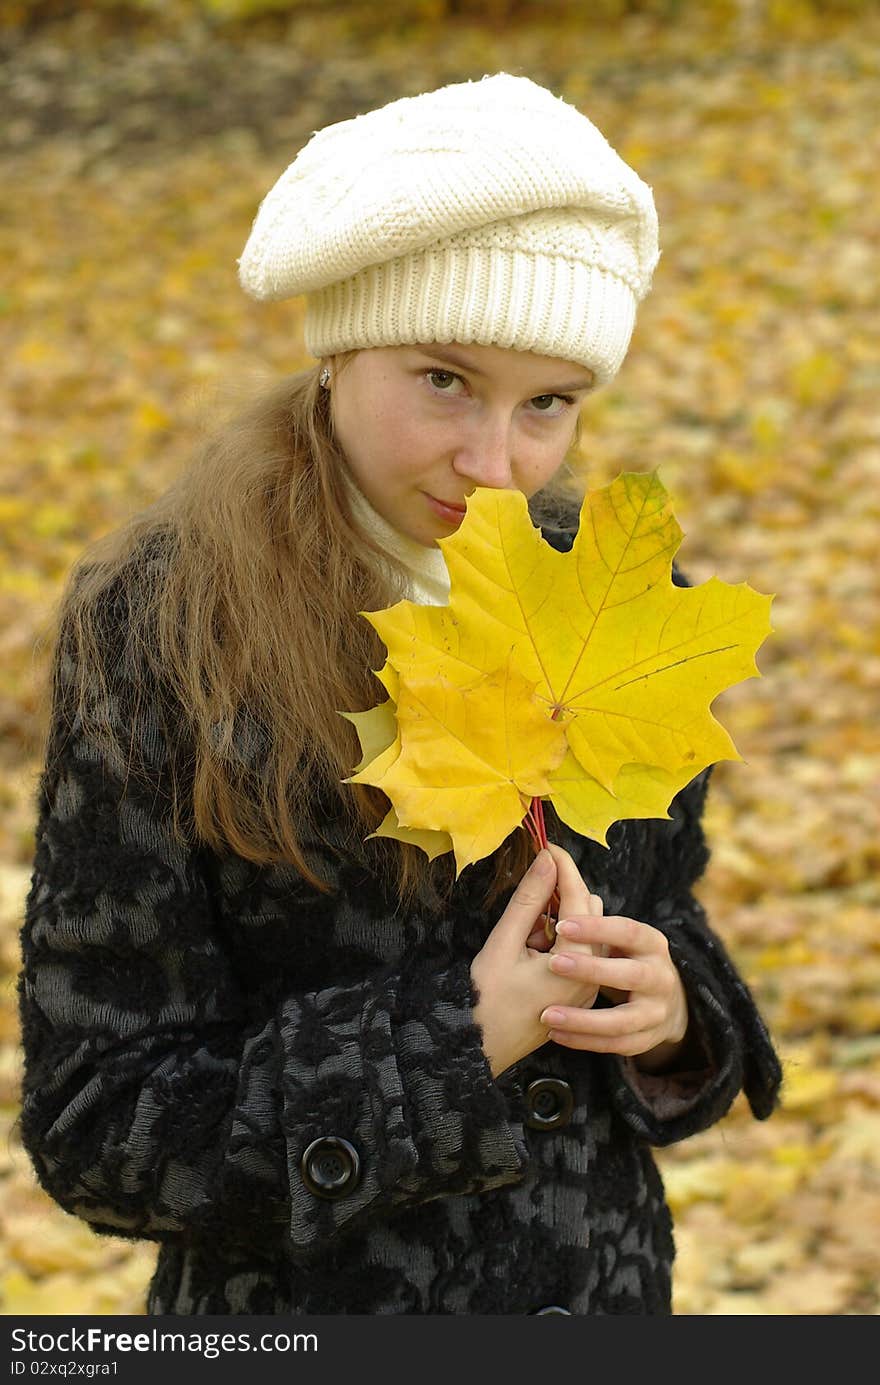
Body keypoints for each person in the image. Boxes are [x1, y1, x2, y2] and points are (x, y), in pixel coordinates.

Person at [17, 72, 782, 1317]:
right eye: (443, 379)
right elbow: (98, 1118)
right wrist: (451, 1039)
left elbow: (670, 910)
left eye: (548, 403)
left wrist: (672, 1009)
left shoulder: (609, 593)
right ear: (339, 349)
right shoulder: (166, 625)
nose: (494, 461)